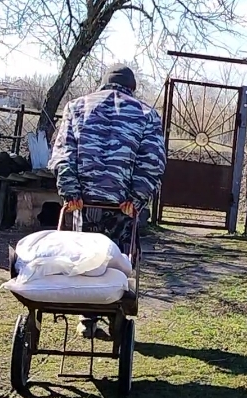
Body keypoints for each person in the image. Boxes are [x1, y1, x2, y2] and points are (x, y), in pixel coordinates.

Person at [48, 64, 166, 339]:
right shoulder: (146, 114)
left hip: (83, 204)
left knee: (83, 257)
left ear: (103, 83)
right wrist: (135, 199)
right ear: (132, 87)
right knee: (121, 259)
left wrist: (71, 193)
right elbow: (152, 162)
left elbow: (63, 153)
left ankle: (86, 317)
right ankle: (116, 312)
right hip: (121, 205)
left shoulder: (76, 107)